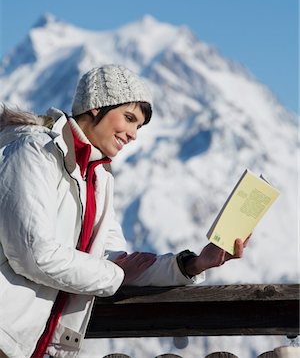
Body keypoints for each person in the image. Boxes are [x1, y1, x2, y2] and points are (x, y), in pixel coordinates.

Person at [0, 64, 247, 358]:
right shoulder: (34, 152)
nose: (133, 135)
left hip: (32, 348)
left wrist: (193, 265)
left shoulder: (98, 178)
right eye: (128, 118)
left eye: (139, 126)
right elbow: (34, 254)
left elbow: (114, 261)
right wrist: (115, 274)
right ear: (95, 107)